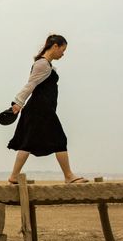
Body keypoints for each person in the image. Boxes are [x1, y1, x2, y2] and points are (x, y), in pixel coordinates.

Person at [6, 34, 87, 185]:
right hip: (40, 109)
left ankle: (13, 176)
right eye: (62, 49)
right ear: (55, 46)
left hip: (41, 109)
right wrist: (17, 102)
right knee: (60, 139)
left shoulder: (46, 64)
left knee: (27, 143)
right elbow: (30, 85)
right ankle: (68, 175)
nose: (63, 53)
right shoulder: (42, 64)